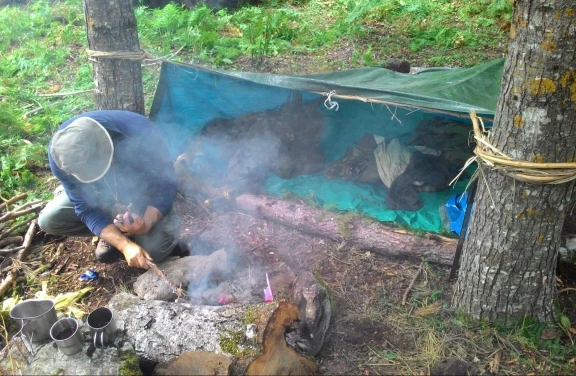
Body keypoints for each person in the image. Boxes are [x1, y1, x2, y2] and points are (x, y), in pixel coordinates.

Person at [38, 110, 181, 270]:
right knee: (48, 220)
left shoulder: (140, 132)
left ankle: (131, 229)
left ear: (107, 148)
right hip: (101, 197)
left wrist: (146, 224)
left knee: (155, 252)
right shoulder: (61, 156)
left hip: (144, 191)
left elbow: (166, 183)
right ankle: (113, 229)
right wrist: (124, 245)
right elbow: (85, 208)